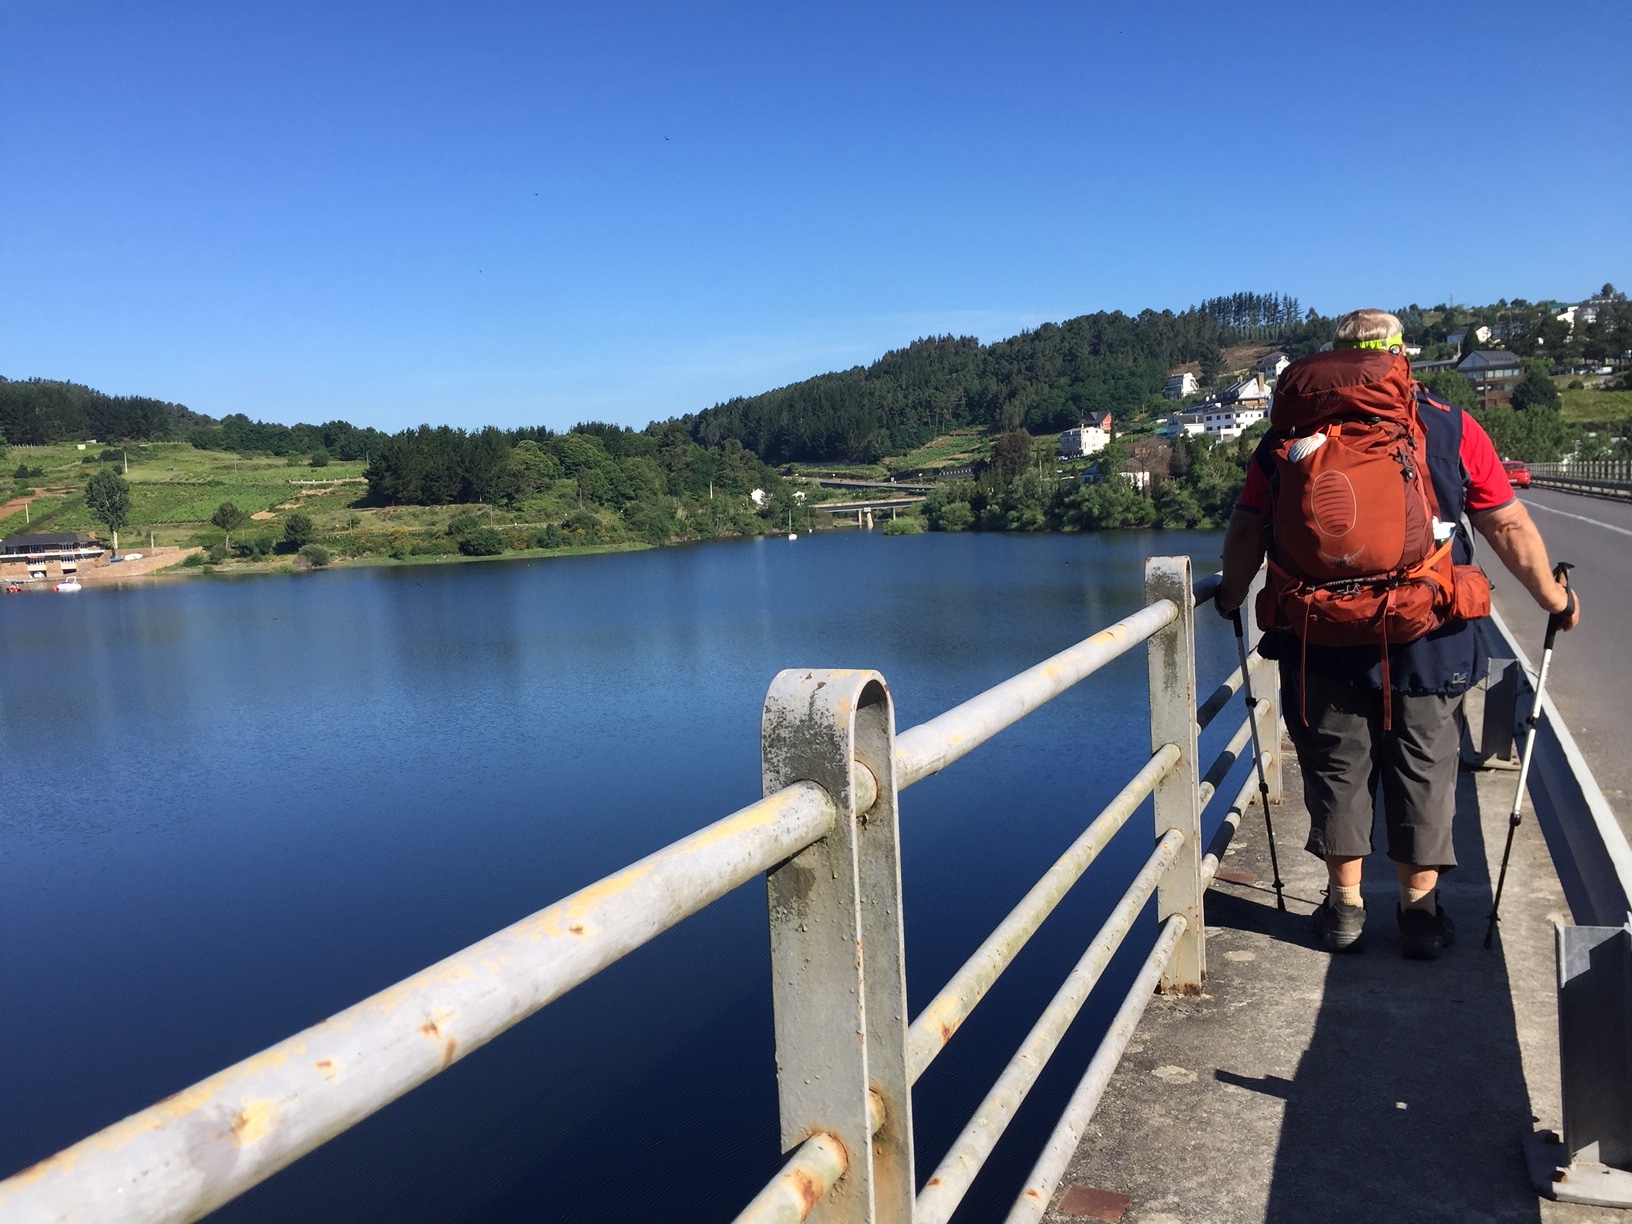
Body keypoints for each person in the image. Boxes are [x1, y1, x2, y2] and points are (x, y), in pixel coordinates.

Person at [1216, 308, 1580, 958]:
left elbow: (1247, 529)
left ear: (1335, 355)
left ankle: (1345, 910)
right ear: (1400, 353)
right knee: (1424, 768)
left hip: (1318, 636)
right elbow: (1506, 526)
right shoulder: (1448, 424)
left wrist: (1233, 595)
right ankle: (1420, 914)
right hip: (1426, 634)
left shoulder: (1285, 437)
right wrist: (1555, 598)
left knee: (1335, 769)